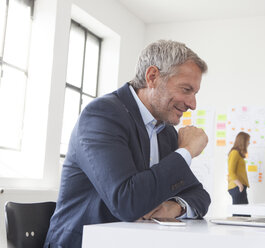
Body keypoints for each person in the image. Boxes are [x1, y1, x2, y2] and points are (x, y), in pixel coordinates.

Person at [44, 40, 211, 248]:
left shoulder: (165, 131)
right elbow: (127, 202)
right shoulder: (102, 115)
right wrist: (186, 151)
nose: (192, 104)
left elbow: (199, 195)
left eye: (195, 93)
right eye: (186, 90)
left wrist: (175, 206)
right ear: (152, 77)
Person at [227, 132, 250, 204]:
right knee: (240, 213)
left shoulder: (238, 153)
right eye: (248, 141)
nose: (249, 143)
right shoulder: (234, 152)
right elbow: (231, 171)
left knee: (244, 213)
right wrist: (240, 185)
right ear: (243, 141)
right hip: (237, 186)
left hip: (239, 186)